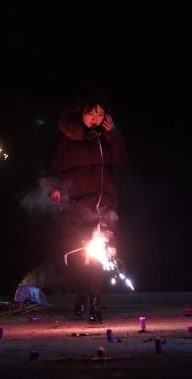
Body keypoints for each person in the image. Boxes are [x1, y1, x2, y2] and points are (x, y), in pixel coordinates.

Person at [43, 91, 128, 323]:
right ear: (81, 112)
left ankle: (95, 304)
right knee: (79, 258)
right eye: (91, 112)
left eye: (100, 114)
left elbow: (120, 161)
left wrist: (114, 134)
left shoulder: (105, 137)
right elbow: (51, 166)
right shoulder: (66, 137)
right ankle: (82, 290)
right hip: (75, 205)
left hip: (103, 205)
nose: (95, 118)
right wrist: (55, 189)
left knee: (100, 255)